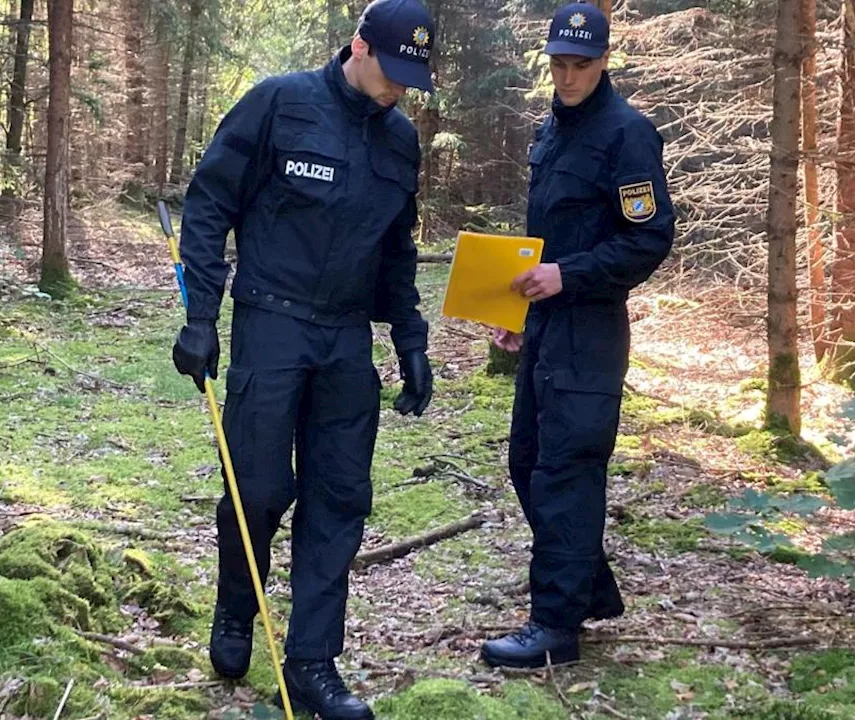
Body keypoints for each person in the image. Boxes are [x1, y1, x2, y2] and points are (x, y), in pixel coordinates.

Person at [169, 1, 437, 717]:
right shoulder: (279, 103)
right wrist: (200, 316)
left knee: (339, 499)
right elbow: (208, 206)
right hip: (271, 322)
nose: (401, 89)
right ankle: (236, 609)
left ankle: (315, 662)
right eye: (394, 71)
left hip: (347, 340)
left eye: (414, 77)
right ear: (359, 47)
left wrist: (409, 338)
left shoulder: (400, 140)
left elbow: (396, 249)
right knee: (256, 489)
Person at [479, 1, 676, 669]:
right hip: (545, 327)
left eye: (580, 66)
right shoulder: (550, 132)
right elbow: (545, 242)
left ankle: (554, 628)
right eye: (559, 64)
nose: (568, 77)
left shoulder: (627, 134)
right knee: (527, 464)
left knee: (567, 471)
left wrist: (569, 277)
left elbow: (648, 239)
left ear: (604, 61)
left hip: (590, 331)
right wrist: (519, 313)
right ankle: (587, 589)